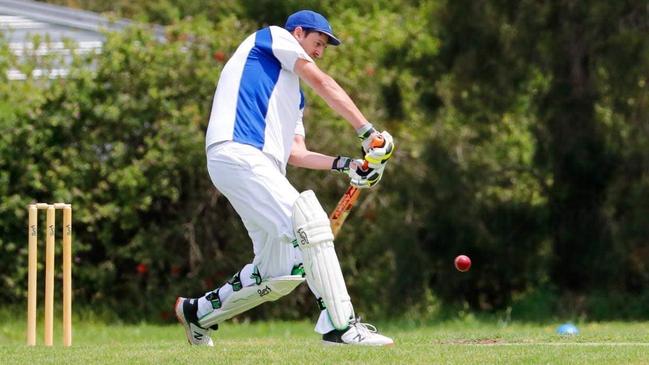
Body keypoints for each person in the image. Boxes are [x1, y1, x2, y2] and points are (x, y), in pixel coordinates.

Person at [175, 9, 395, 347]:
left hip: (252, 166)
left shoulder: (294, 94)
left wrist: (348, 165)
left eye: (324, 47)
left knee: (281, 271)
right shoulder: (273, 36)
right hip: (239, 152)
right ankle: (341, 327)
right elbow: (323, 82)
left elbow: (297, 153)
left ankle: (197, 313)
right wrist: (367, 132)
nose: (320, 52)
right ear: (299, 33)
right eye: (317, 43)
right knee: (311, 223)